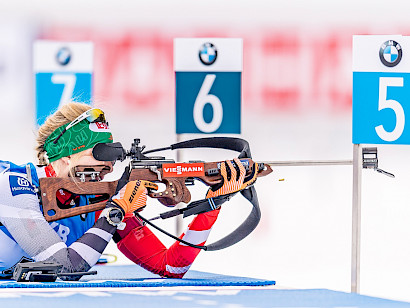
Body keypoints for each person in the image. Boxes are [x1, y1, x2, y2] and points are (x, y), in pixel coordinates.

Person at [0, 102, 257, 280]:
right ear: (65, 156)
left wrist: (213, 203)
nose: (108, 166)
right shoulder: (13, 184)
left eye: (110, 157)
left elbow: (170, 266)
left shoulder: (100, 199)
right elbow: (67, 267)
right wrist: (115, 212)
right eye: (97, 153)